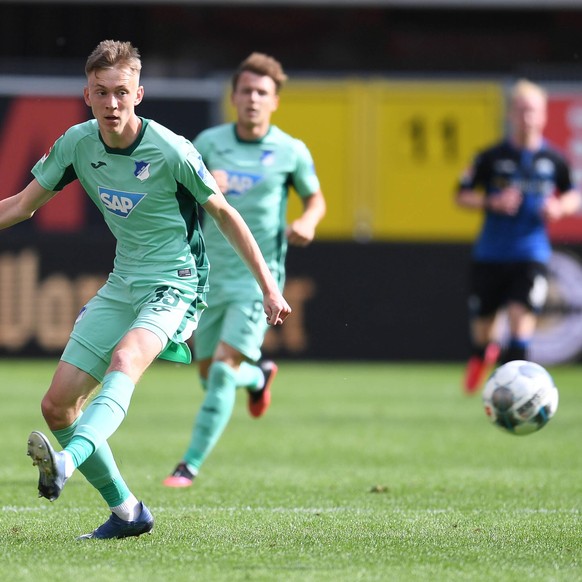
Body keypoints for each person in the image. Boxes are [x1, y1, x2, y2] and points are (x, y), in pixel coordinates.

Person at [1, 40, 291, 540]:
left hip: (177, 283)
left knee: (125, 360)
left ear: (139, 93)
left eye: (121, 92)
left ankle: (68, 461)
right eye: (100, 92)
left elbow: (225, 213)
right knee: (57, 407)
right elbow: (22, 205)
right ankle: (128, 512)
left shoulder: (172, 149)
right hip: (124, 281)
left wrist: (268, 286)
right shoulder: (76, 144)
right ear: (86, 94)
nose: (111, 103)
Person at [163, 53, 326, 488]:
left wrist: (308, 222)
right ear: (233, 96)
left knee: (220, 370)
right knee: (209, 375)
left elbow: (316, 199)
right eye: (246, 91)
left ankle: (188, 466)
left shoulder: (291, 151)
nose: (253, 99)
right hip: (206, 277)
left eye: (262, 93)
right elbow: (178, 192)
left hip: (258, 280)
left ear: (274, 101)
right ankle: (258, 376)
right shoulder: (210, 143)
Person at [456, 79, 581, 394]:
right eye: (522, 110)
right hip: (490, 254)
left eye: (533, 110)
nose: (527, 117)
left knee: (519, 317)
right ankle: (481, 355)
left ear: (542, 116)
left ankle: (514, 392)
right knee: (483, 331)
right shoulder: (491, 157)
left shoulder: (553, 160)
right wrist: (491, 202)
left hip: (531, 253)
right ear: (512, 114)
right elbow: (461, 194)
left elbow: (573, 195)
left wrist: (559, 207)